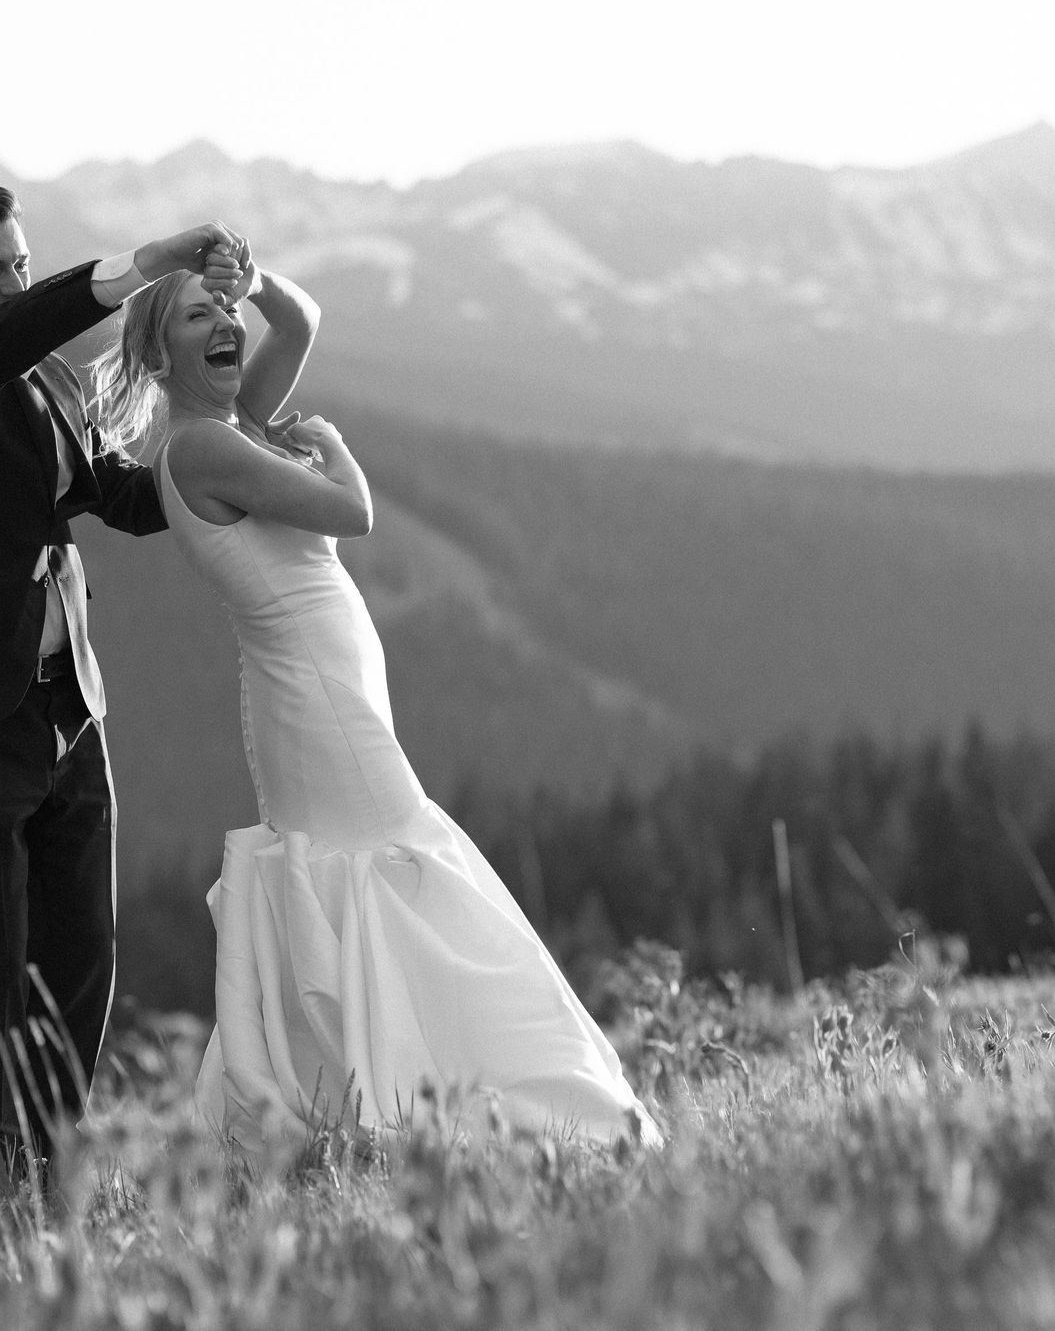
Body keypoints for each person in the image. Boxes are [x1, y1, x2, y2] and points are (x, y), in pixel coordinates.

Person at [92, 252, 661, 1157]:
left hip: (317, 686)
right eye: (197, 318)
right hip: (312, 695)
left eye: (225, 312)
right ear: (161, 357)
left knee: (363, 872)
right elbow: (348, 513)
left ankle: (357, 1094)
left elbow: (303, 321)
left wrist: (250, 276)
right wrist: (339, 449)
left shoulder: (232, 421)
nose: (225, 327)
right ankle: (487, 1095)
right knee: (392, 861)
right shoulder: (203, 444)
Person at [0, 178, 246, 1166]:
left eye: (23, 266)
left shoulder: (57, 386)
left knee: (81, 955)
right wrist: (151, 260)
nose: (12, 287)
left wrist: (231, 469)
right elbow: (4, 339)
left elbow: (118, 499)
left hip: (69, 707)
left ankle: (46, 1153)